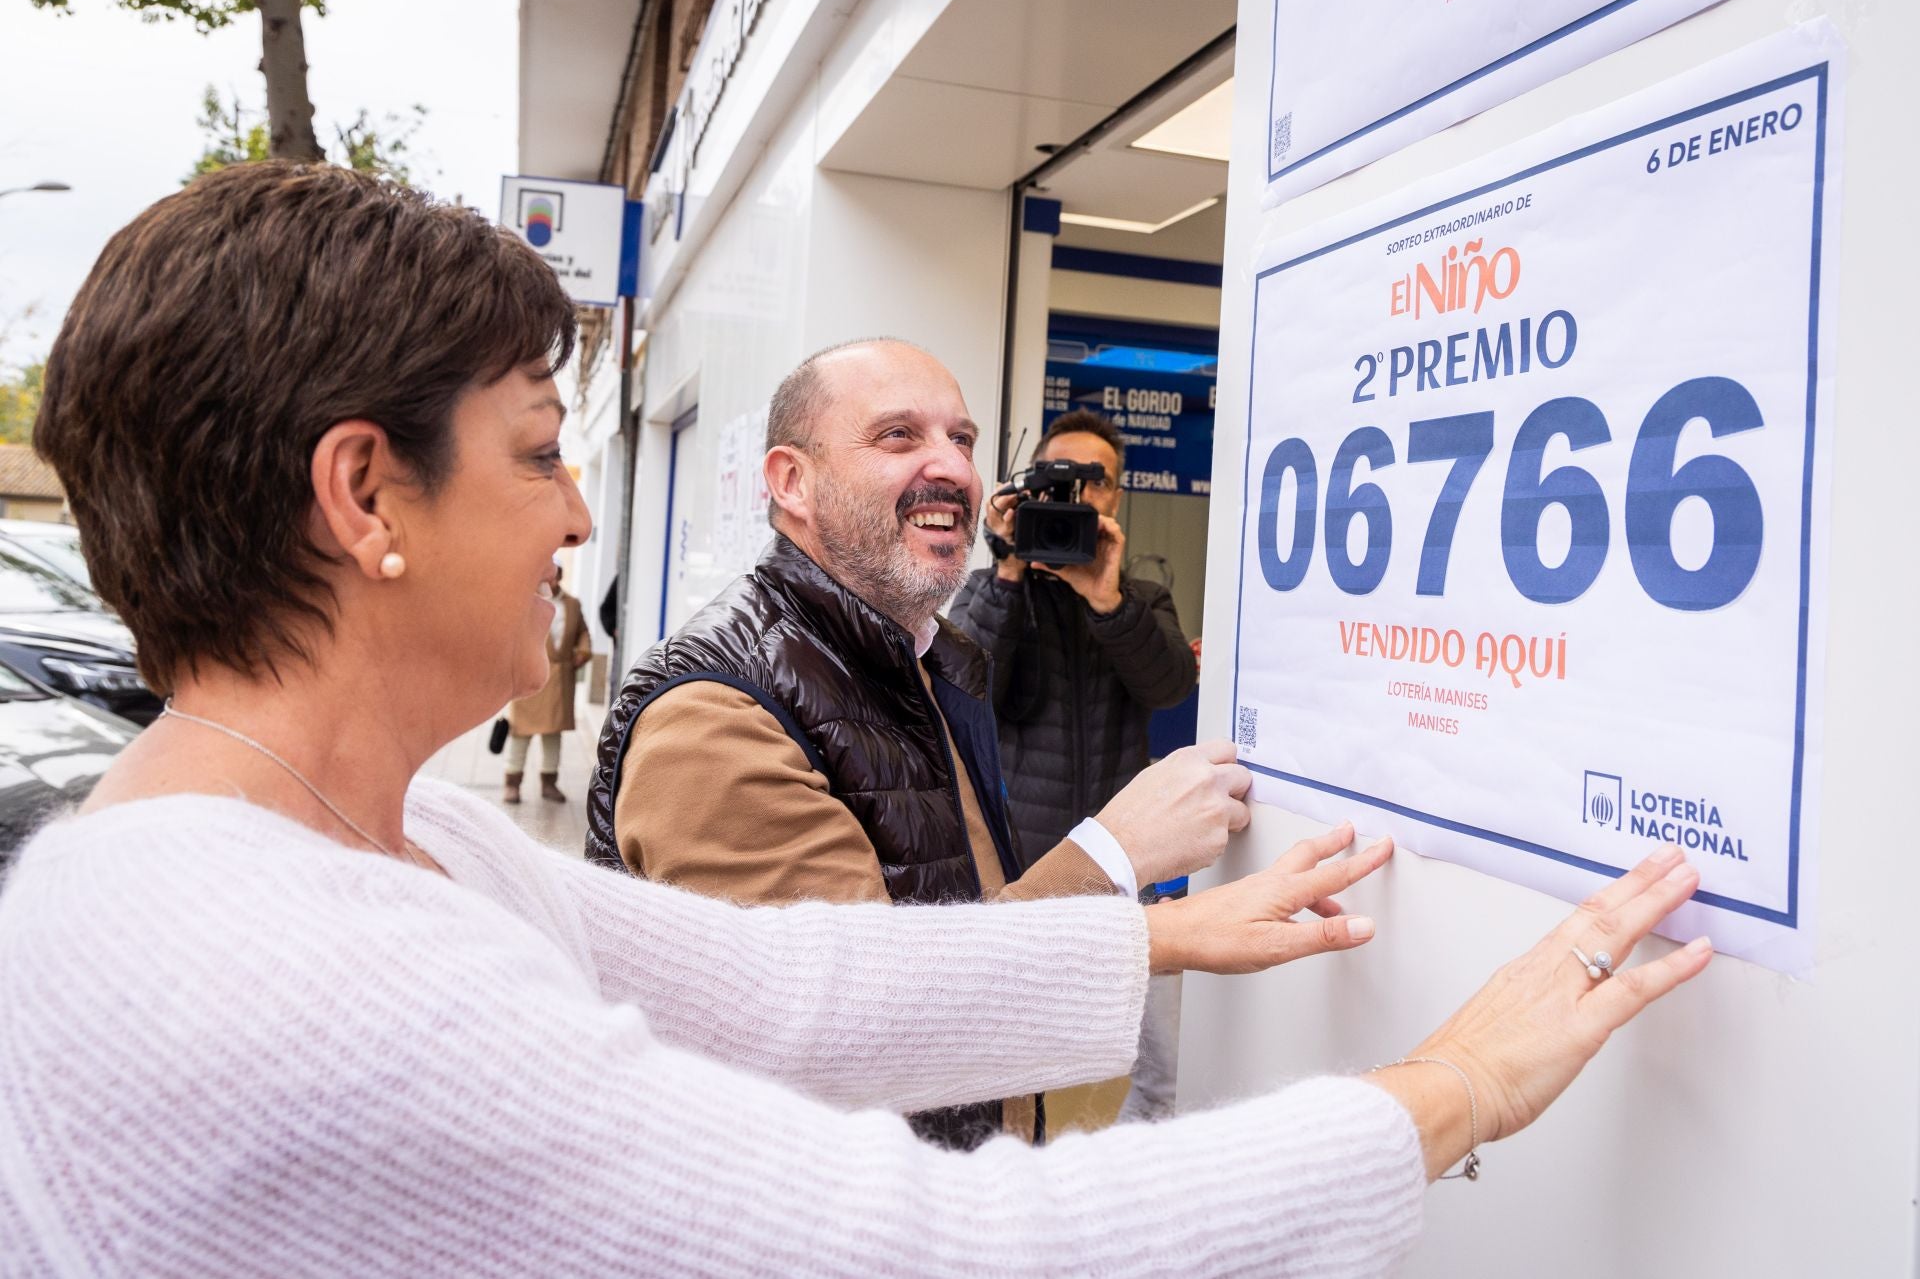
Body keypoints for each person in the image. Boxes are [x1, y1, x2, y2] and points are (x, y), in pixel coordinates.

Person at [2, 161, 1713, 1277]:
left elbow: (788, 993)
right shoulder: (300, 979)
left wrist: (1162, 945)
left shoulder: (394, 836)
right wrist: (1453, 1086)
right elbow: (927, 1253)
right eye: (537, 455)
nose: (580, 521)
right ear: (363, 492)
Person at [585, 338, 1229, 1149]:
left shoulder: (917, 658)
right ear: (792, 481)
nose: (953, 468)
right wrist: (1116, 853)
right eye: (898, 436)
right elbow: (856, 1030)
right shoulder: (713, 715)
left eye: (961, 440)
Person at [951, 410, 1196, 1122]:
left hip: (1130, 866)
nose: (1079, 496)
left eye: (1097, 481)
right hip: (1029, 867)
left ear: (1117, 499)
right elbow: (965, 689)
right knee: (1005, 1069)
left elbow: (1170, 685)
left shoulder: (1140, 591)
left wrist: (1107, 601)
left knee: (1153, 1067)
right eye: (1062, 479)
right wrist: (1005, 569)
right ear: (1029, 491)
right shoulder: (994, 586)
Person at [504, 559, 591, 804]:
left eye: (555, 574)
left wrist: (582, 652)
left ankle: (549, 783)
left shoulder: (572, 604)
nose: (551, 579)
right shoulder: (526, 601)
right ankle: (512, 782)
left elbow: (583, 632)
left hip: (559, 679)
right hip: (529, 676)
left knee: (553, 734)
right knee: (521, 732)